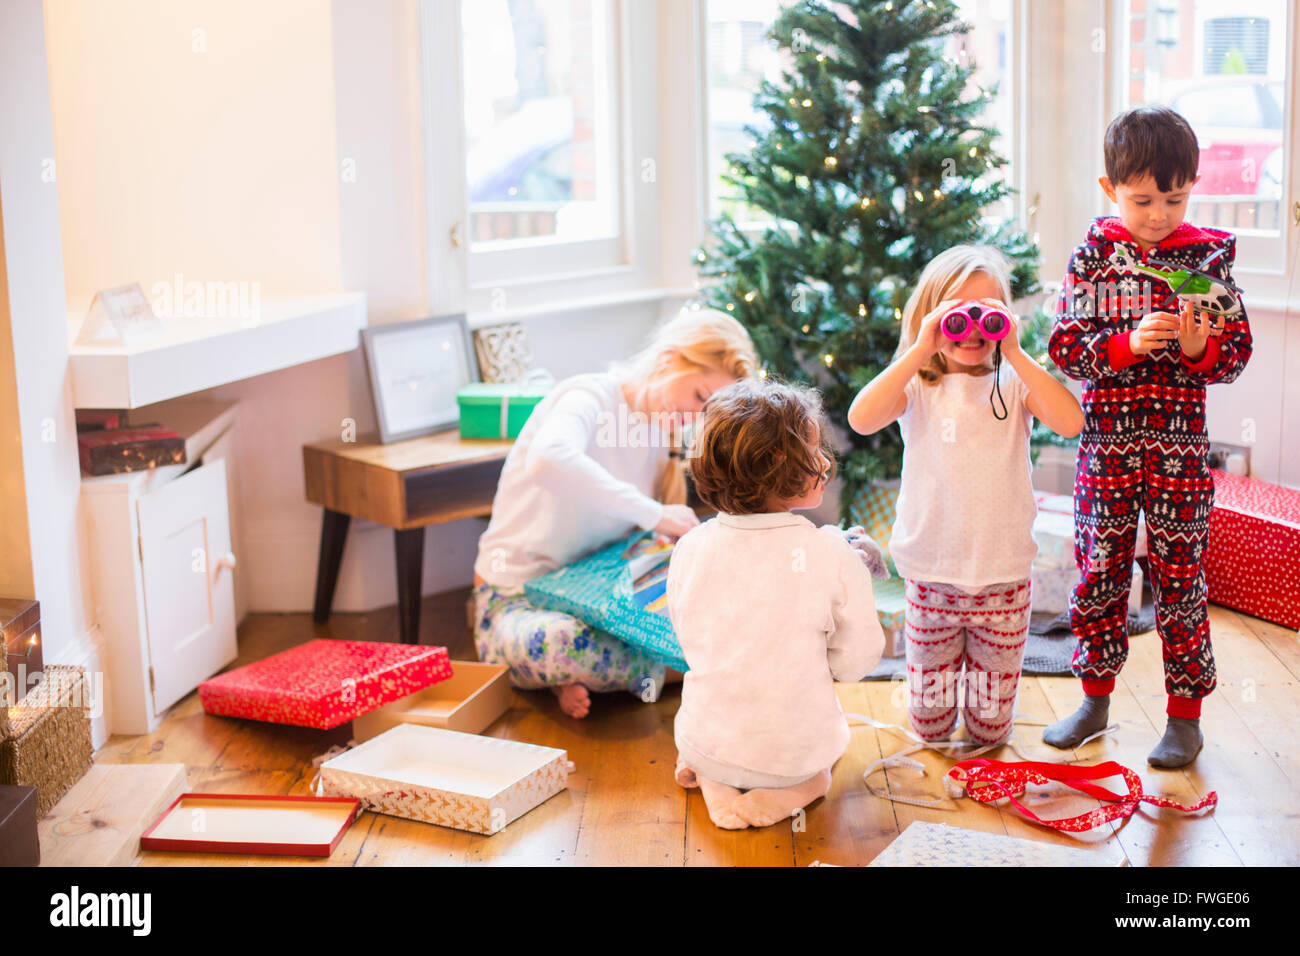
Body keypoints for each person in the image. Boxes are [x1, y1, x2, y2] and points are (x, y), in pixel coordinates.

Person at [1045, 106, 1252, 768]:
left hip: (1179, 448)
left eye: (1174, 197)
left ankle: (1184, 717)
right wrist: (1127, 345)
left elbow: (1237, 352)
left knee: (1180, 577)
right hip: (1106, 448)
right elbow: (1065, 349)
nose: (1159, 213)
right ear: (1110, 190)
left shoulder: (1208, 258)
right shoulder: (1092, 257)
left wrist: (1197, 348)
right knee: (1100, 570)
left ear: (1192, 185)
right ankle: (1094, 698)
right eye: (1142, 199)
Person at [847, 245, 1084, 746]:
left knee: (990, 731)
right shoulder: (918, 385)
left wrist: (1017, 352)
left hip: (1002, 576)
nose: (973, 327)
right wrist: (919, 346)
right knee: (929, 728)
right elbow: (861, 418)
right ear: (932, 316)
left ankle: (987, 729)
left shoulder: (1014, 382)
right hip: (933, 574)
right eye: (957, 312)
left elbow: (1071, 422)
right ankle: (936, 721)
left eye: (988, 314)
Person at [472, 307, 758, 719]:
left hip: (599, 600)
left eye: (707, 411)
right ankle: (701, 669)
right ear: (667, 360)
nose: (696, 418)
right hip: (516, 602)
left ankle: (614, 674)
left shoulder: (661, 432)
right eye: (699, 397)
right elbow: (548, 460)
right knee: (565, 644)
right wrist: (655, 513)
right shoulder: (587, 397)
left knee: (724, 610)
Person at [669, 378, 884, 829]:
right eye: (814, 449)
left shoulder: (690, 546)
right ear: (779, 464)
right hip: (793, 754)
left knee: (712, 735)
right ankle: (793, 791)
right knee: (821, 764)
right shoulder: (829, 553)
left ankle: (714, 781)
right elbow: (857, 659)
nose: (825, 459)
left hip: (706, 739)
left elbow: (687, 633)